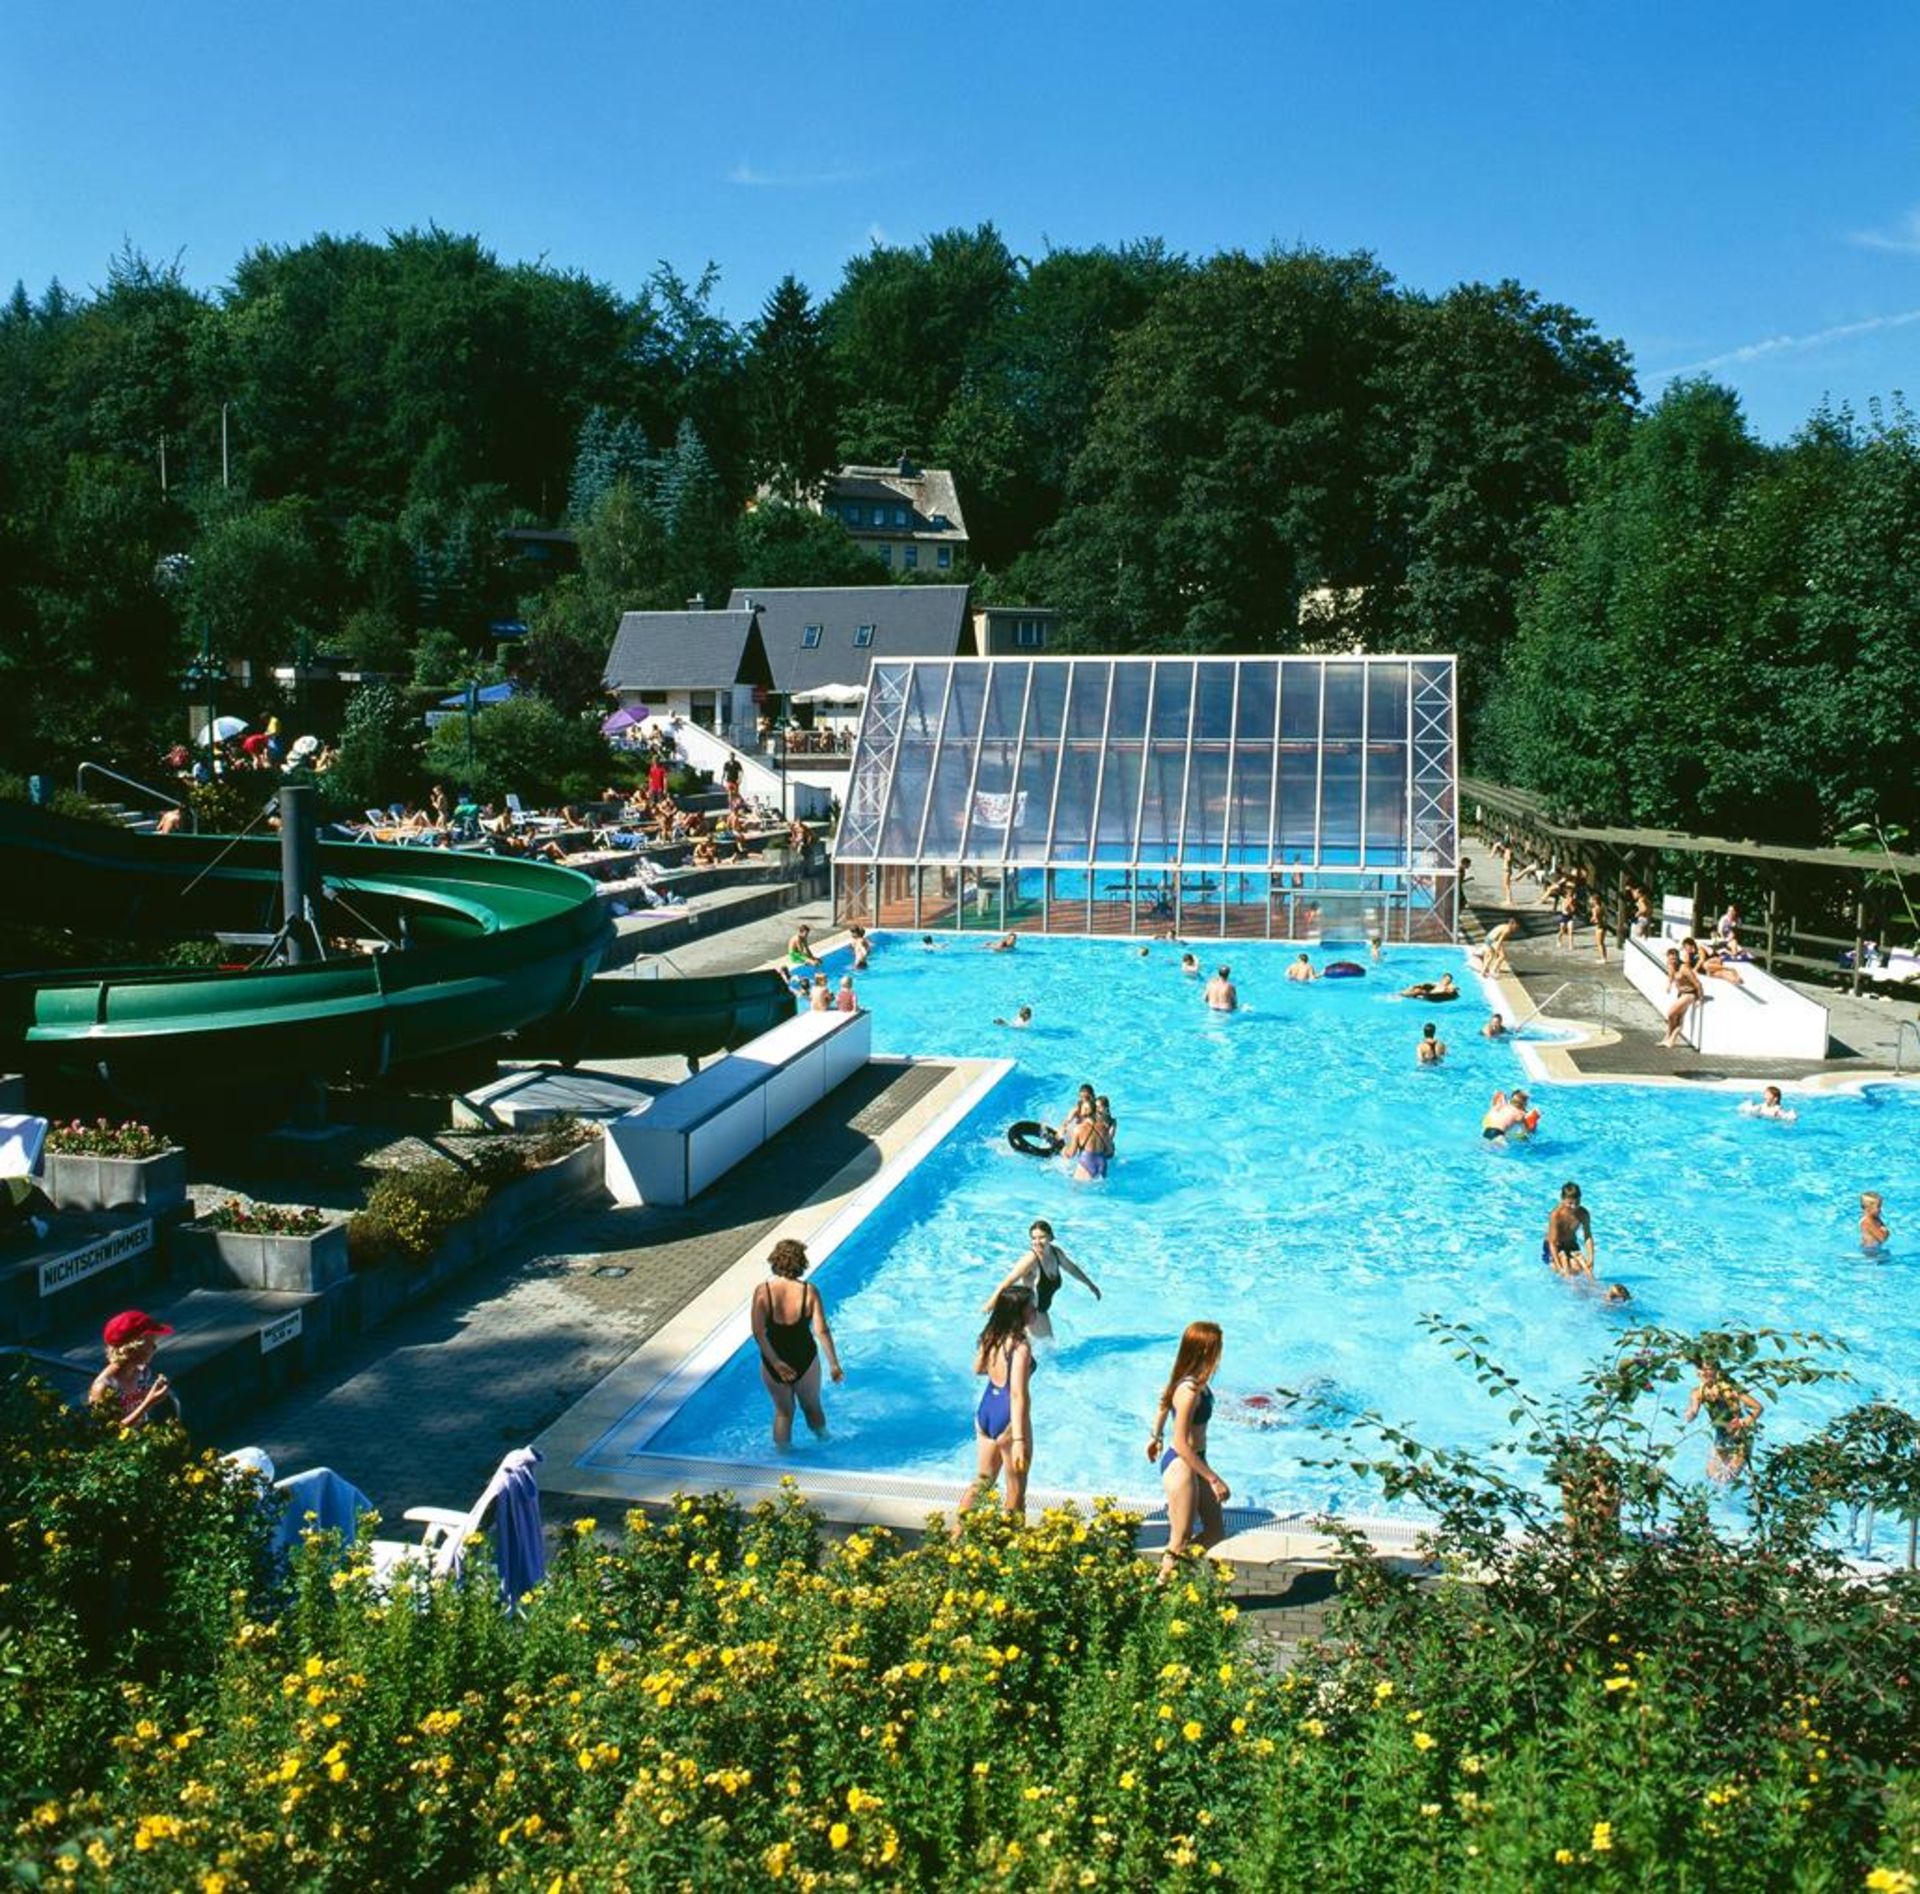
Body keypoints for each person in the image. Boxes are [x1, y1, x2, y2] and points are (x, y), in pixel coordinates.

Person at [1148, 1321, 1230, 1575]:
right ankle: (1158, 1593)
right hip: (1183, 1464)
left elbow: (1163, 1402)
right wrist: (1213, 1479)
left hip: (1196, 1460)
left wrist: (1155, 1435)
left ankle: (1177, 1573)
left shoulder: (1195, 1382)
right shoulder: (1189, 1390)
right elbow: (1181, 1443)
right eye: (1217, 1347)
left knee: (1215, 1531)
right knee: (1180, 1539)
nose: (1220, 1352)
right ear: (1205, 1350)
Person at [749, 1238, 842, 1447]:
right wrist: (834, 1364)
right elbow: (821, 1330)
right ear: (801, 1263)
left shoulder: (763, 1291)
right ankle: (825, 1442)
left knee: (783, 1412)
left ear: (775, 1261)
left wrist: (776, 1362)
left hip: (774, 1357)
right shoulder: (810, 1291)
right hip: (805, 1358)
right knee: (812, 1406)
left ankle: (783, 1458)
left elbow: (759, 1332)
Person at [959, 1289, 1036, 1519]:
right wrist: (1020, 1440)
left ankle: (954, 1536)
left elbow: (978, 1369)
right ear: (1019, 1312)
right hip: (1008, 1419)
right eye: (1030, 1306)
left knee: (982, 1483)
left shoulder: (991, 1336)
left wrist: (998, 1369)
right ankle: (1013, 1547)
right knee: (1015, 1491)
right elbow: (1017, 1395)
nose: (1034, 1310)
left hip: (986, 1411)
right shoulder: (1020, 1348)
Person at [983, 1218, 1102, 1342]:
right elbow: (1007, 1282)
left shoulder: (1056, 1253)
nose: (1037, 1242)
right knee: (1042, 1350)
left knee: (1047, 1348)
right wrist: (990, 1305)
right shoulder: (1030, 1259)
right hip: (1027, 1312)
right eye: (1033, 1238)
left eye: (1042, 1237)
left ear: (1050, 1237)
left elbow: (1072, 1269)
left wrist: (1090, 1285)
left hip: (1040, 1311)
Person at [89, 1310, 177, 1429]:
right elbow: (107, 1433)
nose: (155, 1347)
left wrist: (150, 1394)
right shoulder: (104, 1387)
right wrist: (148, 1402)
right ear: (133, 1347)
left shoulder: (141, 1373)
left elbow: (132, 1405)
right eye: (150, 1342)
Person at [1684, 1359, 1762, 1483]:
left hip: (1740, 1436)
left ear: (1716, 1371)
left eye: (1707, 1369)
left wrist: (1743, 1422)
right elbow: (1693, 1409)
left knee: (1728, 1477)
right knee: (1711, 1475)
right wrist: (1690, 1415)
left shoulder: (1730, 1389)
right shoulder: (1698, 1393)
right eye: (1700, 1370)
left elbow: (1758, 1407)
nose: (1703, 1373)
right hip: (1721, 1436)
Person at [1543, 1181, 1595, 1277]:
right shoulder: (1556, 1215)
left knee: (1578, 1270)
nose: (1574, 1207)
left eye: (1577, 1203)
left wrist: (1591, 1258)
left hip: (1570, 1244)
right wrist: (1559, 1267)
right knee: (1560, 1271)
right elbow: (1552, 1243)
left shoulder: (1583, 1214)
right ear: (1562, 1199)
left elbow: (1588, 1236)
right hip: (1554, 1247)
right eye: (1570, 1203)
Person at [1659, 947, 1704, 1049]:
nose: (1672, 961)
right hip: (1681, 994)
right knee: (1678, 1018)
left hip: (1690, 994)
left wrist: (1699, 999)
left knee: (1671, 1013)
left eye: (1674, 959)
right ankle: (1670, 1040)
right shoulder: (1670, 966)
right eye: (1670, 959)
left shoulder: (1684, 968)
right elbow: (1671, 976)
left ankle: (1668, 1037)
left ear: (1678, 958)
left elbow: (1697, 983)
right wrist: (1669, 985)